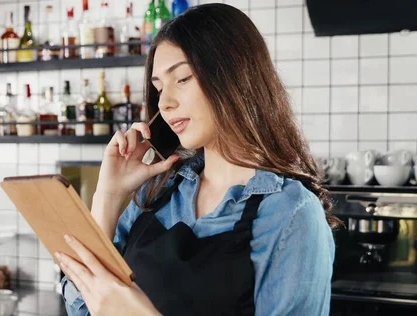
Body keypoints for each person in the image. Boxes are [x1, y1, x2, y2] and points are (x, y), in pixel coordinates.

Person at [57, 4, 338, 316]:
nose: (165, 102)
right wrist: (108, 197)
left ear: (234, 76)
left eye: (183, 78)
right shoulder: (158, 193)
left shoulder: (291, 214)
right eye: (159, 87)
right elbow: (81, 308)